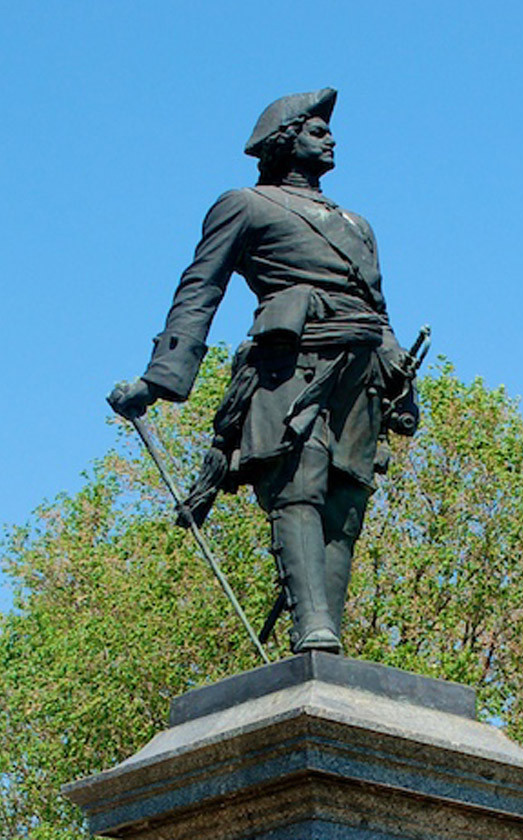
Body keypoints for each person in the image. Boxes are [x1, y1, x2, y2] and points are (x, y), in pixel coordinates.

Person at [108, 88, 419, 654]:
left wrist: (398, 368)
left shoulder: (358, 223)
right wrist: (159, 378)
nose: (330, 139)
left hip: (363, 370)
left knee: (347, 504)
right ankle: (313, 628)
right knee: (298, 488)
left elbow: (376, 305)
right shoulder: (245, 204)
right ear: (285, 139)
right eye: (316, 130)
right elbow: (201, 287)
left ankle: (330, 638)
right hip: (291, 365)